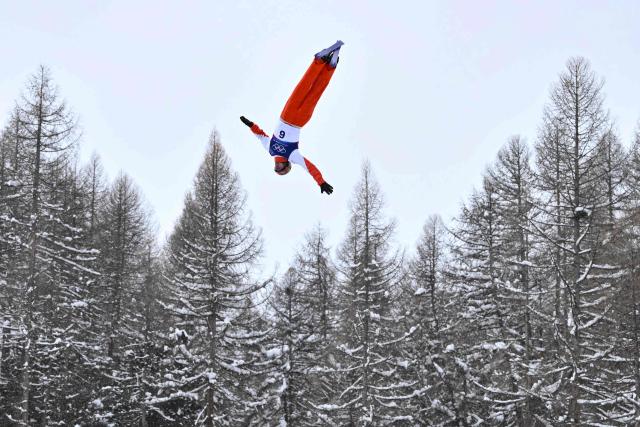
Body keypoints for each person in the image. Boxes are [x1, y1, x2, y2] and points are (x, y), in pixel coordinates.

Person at [240, 40, 343, 195]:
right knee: (304, 87)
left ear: (287, 165)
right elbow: (260, 135)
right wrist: (250, 125)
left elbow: (309, 167)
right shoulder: (273, 150)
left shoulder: (289, 155)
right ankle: (320, 62)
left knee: (315, 92)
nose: (278, 166)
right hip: (288, 115)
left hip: (299, 119)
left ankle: (328, 66)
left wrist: (321, 182)